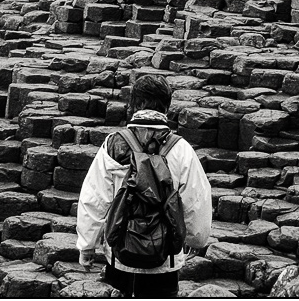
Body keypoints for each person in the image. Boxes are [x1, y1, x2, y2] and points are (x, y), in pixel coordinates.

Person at [76, 74, 212, 299]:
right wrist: (195, 239)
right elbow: (196, 200)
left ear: (133, 105)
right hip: (164, 260)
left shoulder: (113, 144)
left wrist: (87, 245)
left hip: (120, 256)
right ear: (167, 107)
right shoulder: (181, 149)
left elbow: (95, 198)